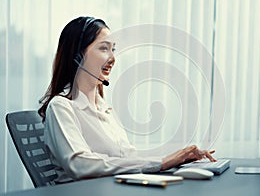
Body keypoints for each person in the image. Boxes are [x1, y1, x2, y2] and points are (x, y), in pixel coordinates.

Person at [38, 16, 216, 183]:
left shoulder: (104, 108)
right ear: (77, 56)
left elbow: (128, 158)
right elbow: (80, 165)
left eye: (112, 49)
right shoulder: (61, 106)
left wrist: (178, 158)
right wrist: (161, 163)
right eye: (103, 48)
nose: (112, 58)